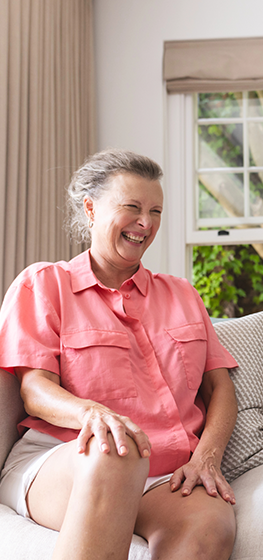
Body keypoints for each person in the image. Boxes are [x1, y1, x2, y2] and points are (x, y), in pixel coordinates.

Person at [0, 149, 239, 560]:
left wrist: (206, 458)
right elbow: (35, 390)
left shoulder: (182, 294)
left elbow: (220, 389)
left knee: (210, 527)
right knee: (116, 449)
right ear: (91, 209)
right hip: (66, 459)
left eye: (155, 211)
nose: (146, 223)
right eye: (132, 207)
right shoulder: (44, 284)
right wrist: (92, 414)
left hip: (164, 475)